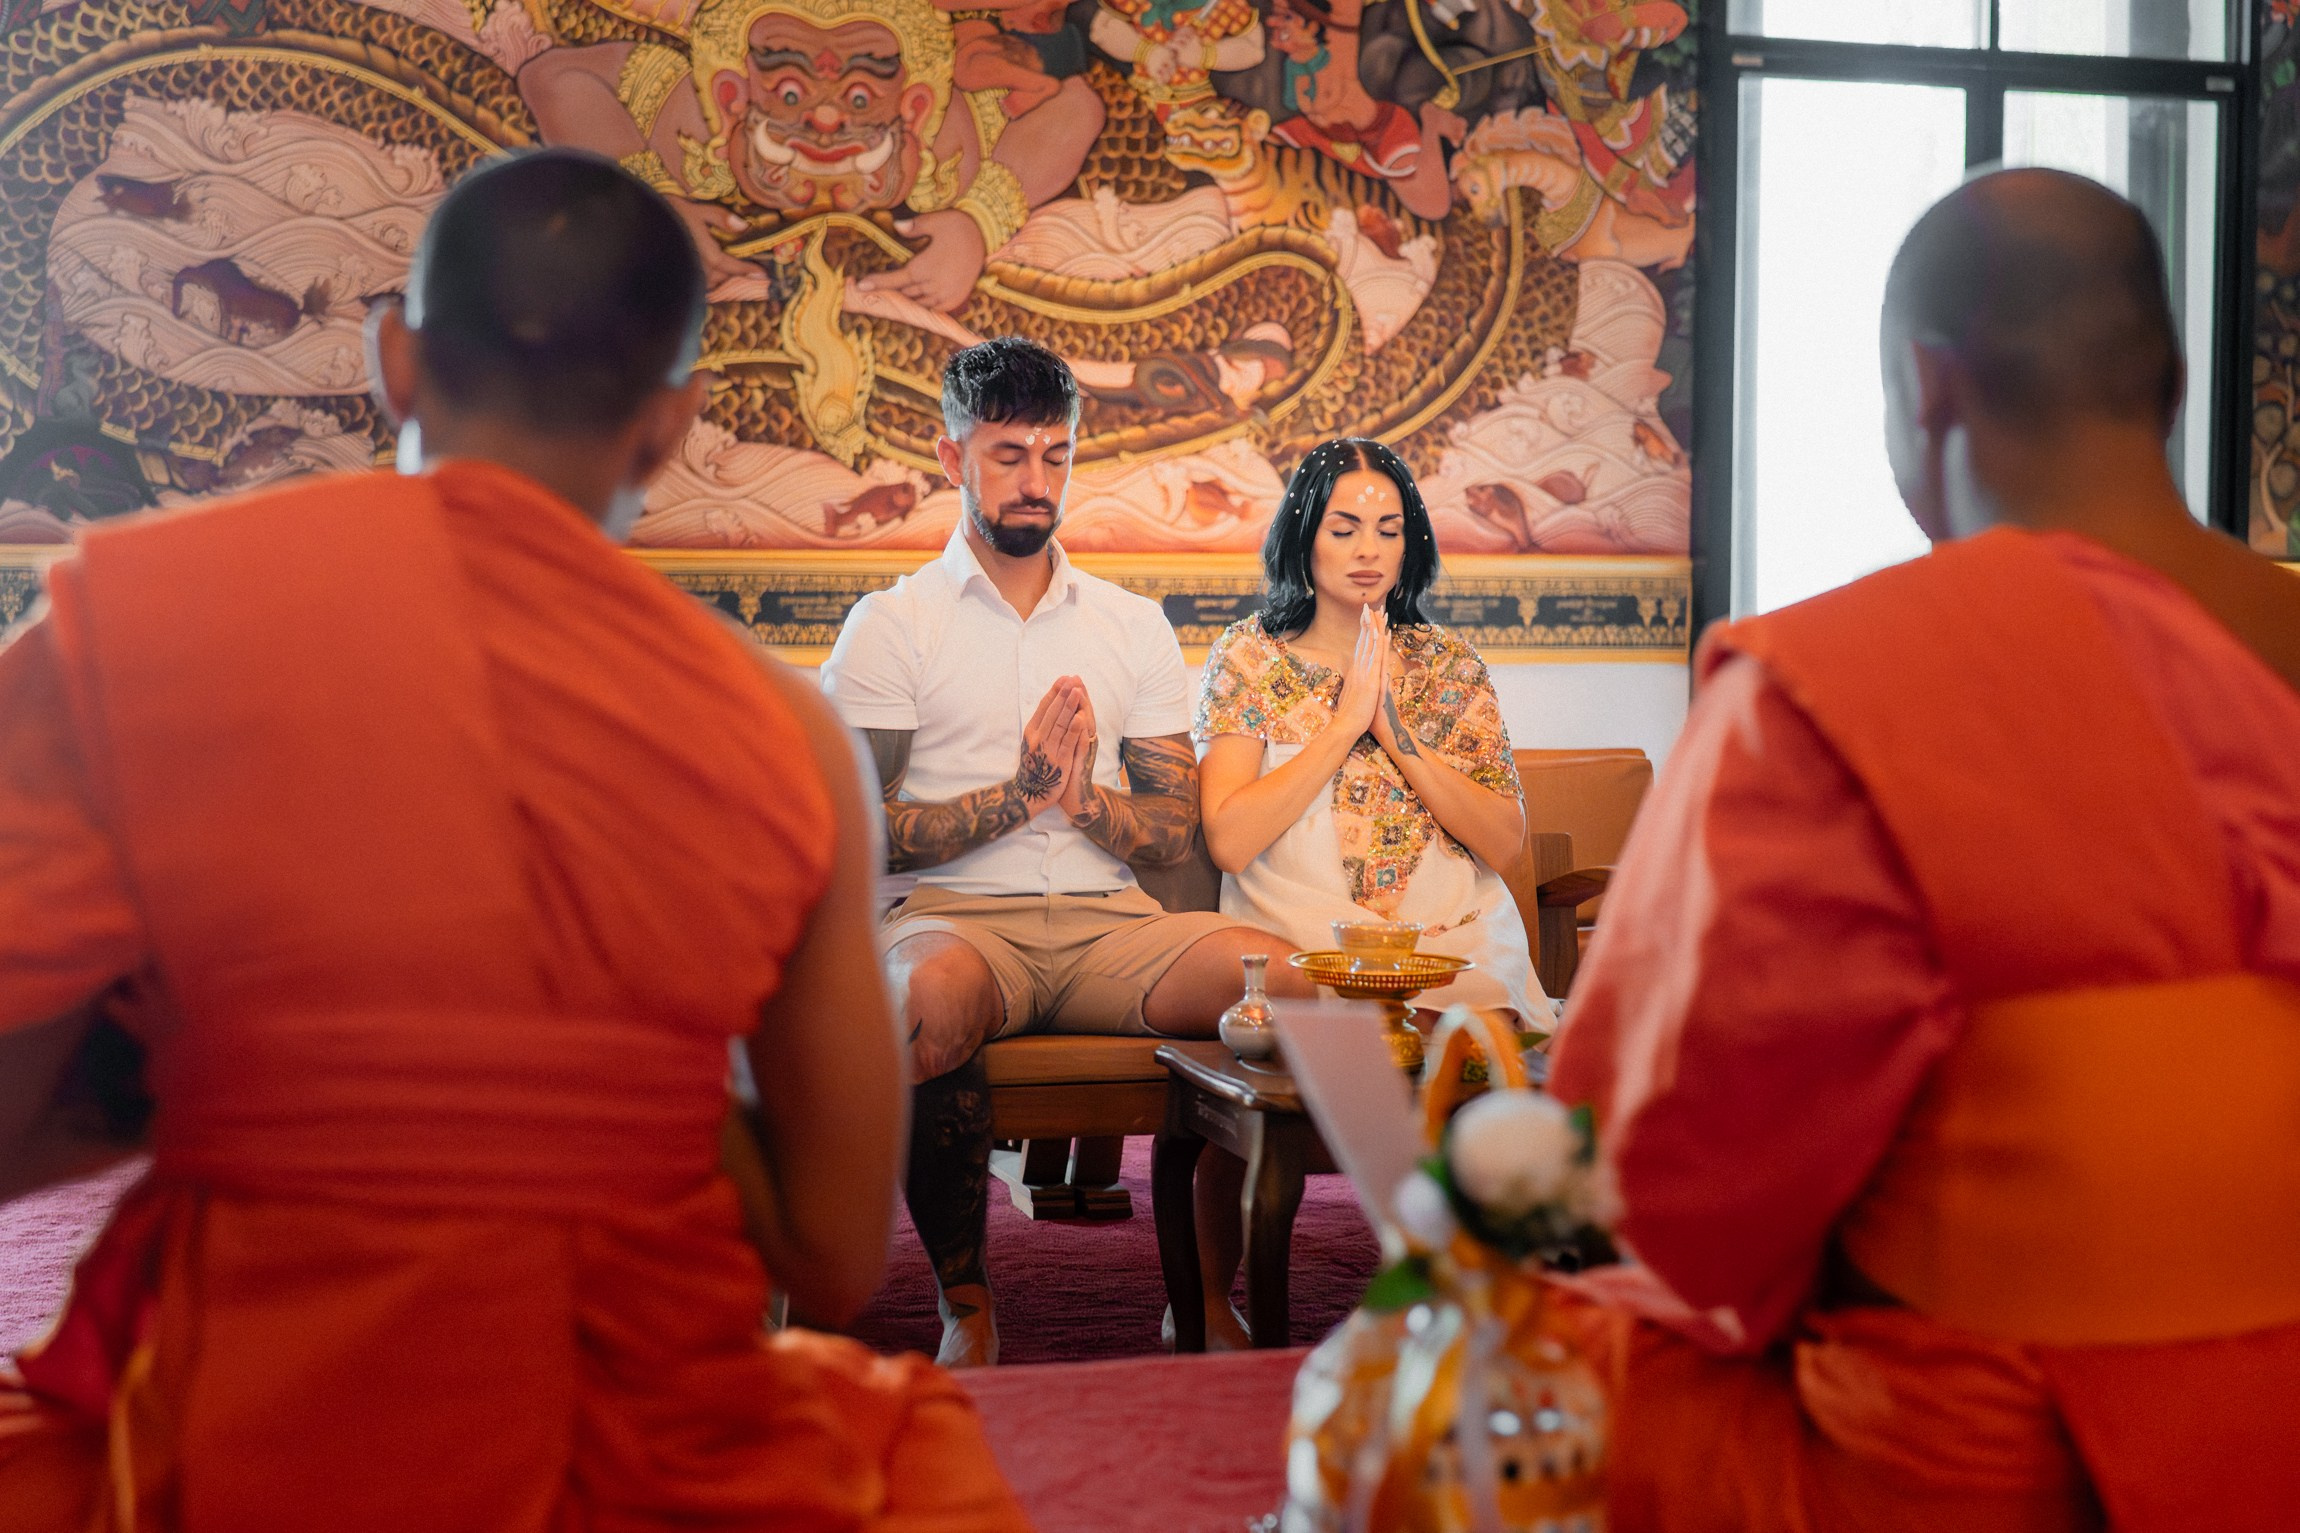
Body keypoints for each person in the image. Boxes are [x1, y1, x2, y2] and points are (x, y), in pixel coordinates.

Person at [0, 149, 1026, 1532]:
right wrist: (609, 1066)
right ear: (673, 422)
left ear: (394, 360)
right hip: (626, 1450)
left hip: (238, 1436)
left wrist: (255, 1061)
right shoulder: (782, 737)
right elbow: (835, 1250)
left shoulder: (132, 624)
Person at [1549, 167, 2300, 1531]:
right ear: (2170, 382)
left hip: (1999, 1461)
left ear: (1926, 382)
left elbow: (1660, 1190)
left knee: (1505, 1350)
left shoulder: (1850, 685)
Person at [818, 335, 1315, 1364]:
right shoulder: (890, 625)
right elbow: (860, 833)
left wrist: (1085, 807)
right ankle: (968, 1303)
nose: (1035, 481)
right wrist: (1020, 797)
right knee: (923, 1004)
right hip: (955, 921)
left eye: (1054, 455)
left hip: (1108, 928)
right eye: (1007, 455)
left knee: (1294, 989)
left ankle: (1205, 1293)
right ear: (952, 458)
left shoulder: (1131, 625)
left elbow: (1172, 827)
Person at [1194, 437, 1541, 1025]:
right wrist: (1346, 723)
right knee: (1355, 1021)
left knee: (1472, 1024)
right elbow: (1229, 842)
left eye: (1388, 530)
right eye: (1343, 528)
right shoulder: (1247, 657)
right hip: (1303, 935)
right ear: (1304, 537)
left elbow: (1506, 844)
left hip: (1453, 935)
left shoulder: (1449, 664)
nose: (1367, 551)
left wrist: (1396, 734)